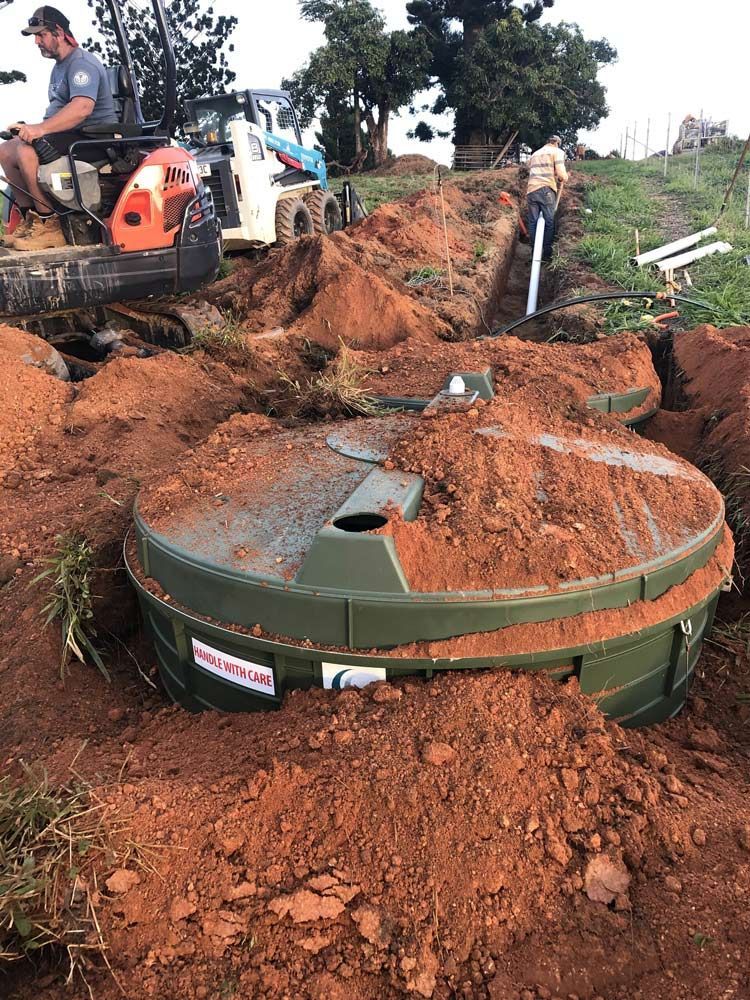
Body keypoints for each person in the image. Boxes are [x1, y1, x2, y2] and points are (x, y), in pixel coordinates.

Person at [0, 6, 116, 251]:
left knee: (25, 151)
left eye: (41, 35)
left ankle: (49, 225)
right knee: (6, 150)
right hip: (67, 136)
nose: (36, 41)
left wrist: (39, 130)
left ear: (59, 32)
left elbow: (82, 108)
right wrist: (29, 129)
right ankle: (30, 218)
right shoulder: (59, 67)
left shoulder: (82, 64)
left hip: (91, 139)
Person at [526, 134, 569, 262]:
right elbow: (561, 174)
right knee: (549, 222)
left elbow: (531, 168)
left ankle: (534, 252)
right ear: (557, 143)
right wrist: (564, 177)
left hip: (531, 190)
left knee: (533, 222)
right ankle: (546, 254)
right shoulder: (557, 152)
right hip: (546, 190)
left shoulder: (535, 154)